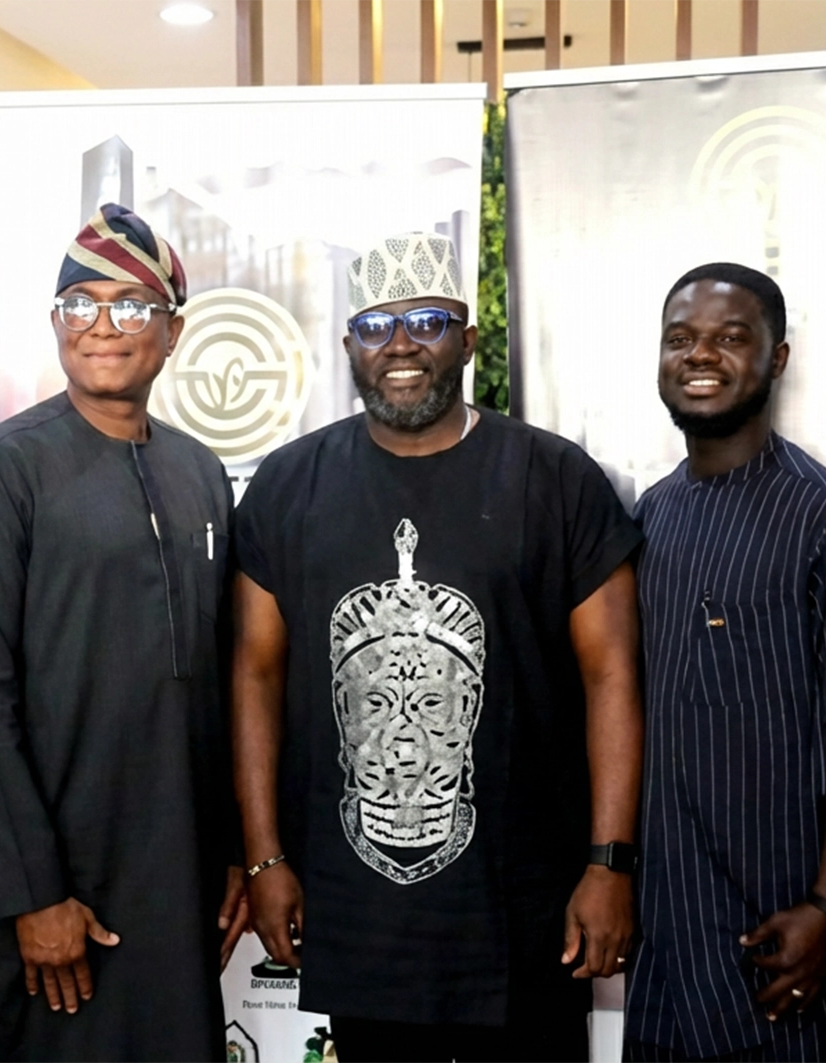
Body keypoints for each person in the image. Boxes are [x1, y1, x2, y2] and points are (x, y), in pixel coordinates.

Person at [233, 232, 645, 1062]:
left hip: (525, 909)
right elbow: (255, 672)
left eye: (426, 319)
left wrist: (608, 864)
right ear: (348, 344)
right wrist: (264, 855)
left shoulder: (556, 479)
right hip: (357, 913)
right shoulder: (287, 484)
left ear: (467, 337)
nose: (401, 345)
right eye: (376, 324)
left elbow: (612, 675)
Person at [0, 203, 242, 1062]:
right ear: (57, 323)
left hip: (176, 879)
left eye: (132, 307)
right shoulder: (1, 469)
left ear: (172, 332)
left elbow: (214, 684)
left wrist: (230, 855)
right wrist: (33, 892)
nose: (103, 326)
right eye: (82, 305)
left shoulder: (200, 472)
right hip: (62, 892)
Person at [622, 264, 826, 1063]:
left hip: (776, 950)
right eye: (681, 338)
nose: (701, 355)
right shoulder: (652, 512)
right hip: (664, 947)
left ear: (779, 358)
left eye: (731, 338)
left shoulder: (822, 514)